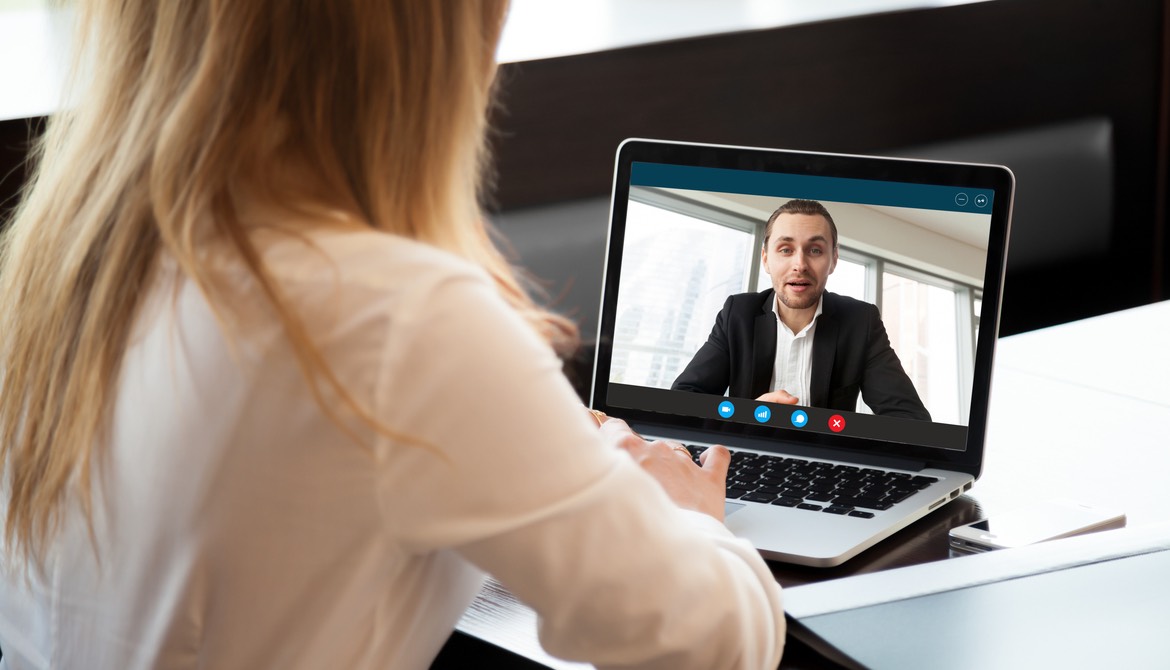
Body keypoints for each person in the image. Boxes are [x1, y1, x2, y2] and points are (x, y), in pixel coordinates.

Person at [0, 2, 784, 668]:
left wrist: (538, 463)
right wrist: (681, 518)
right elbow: (707, 640)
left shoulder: (65, 267)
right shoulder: (399, 318)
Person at [672, 199, 930, 421]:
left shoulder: (861, 322)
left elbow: (911, 420)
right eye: (786, 250)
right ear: (766, 259)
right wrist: (746, 416)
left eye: (815, 250)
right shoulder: (737, 314)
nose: (800, 264)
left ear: (833, 260)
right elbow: (683, 400)